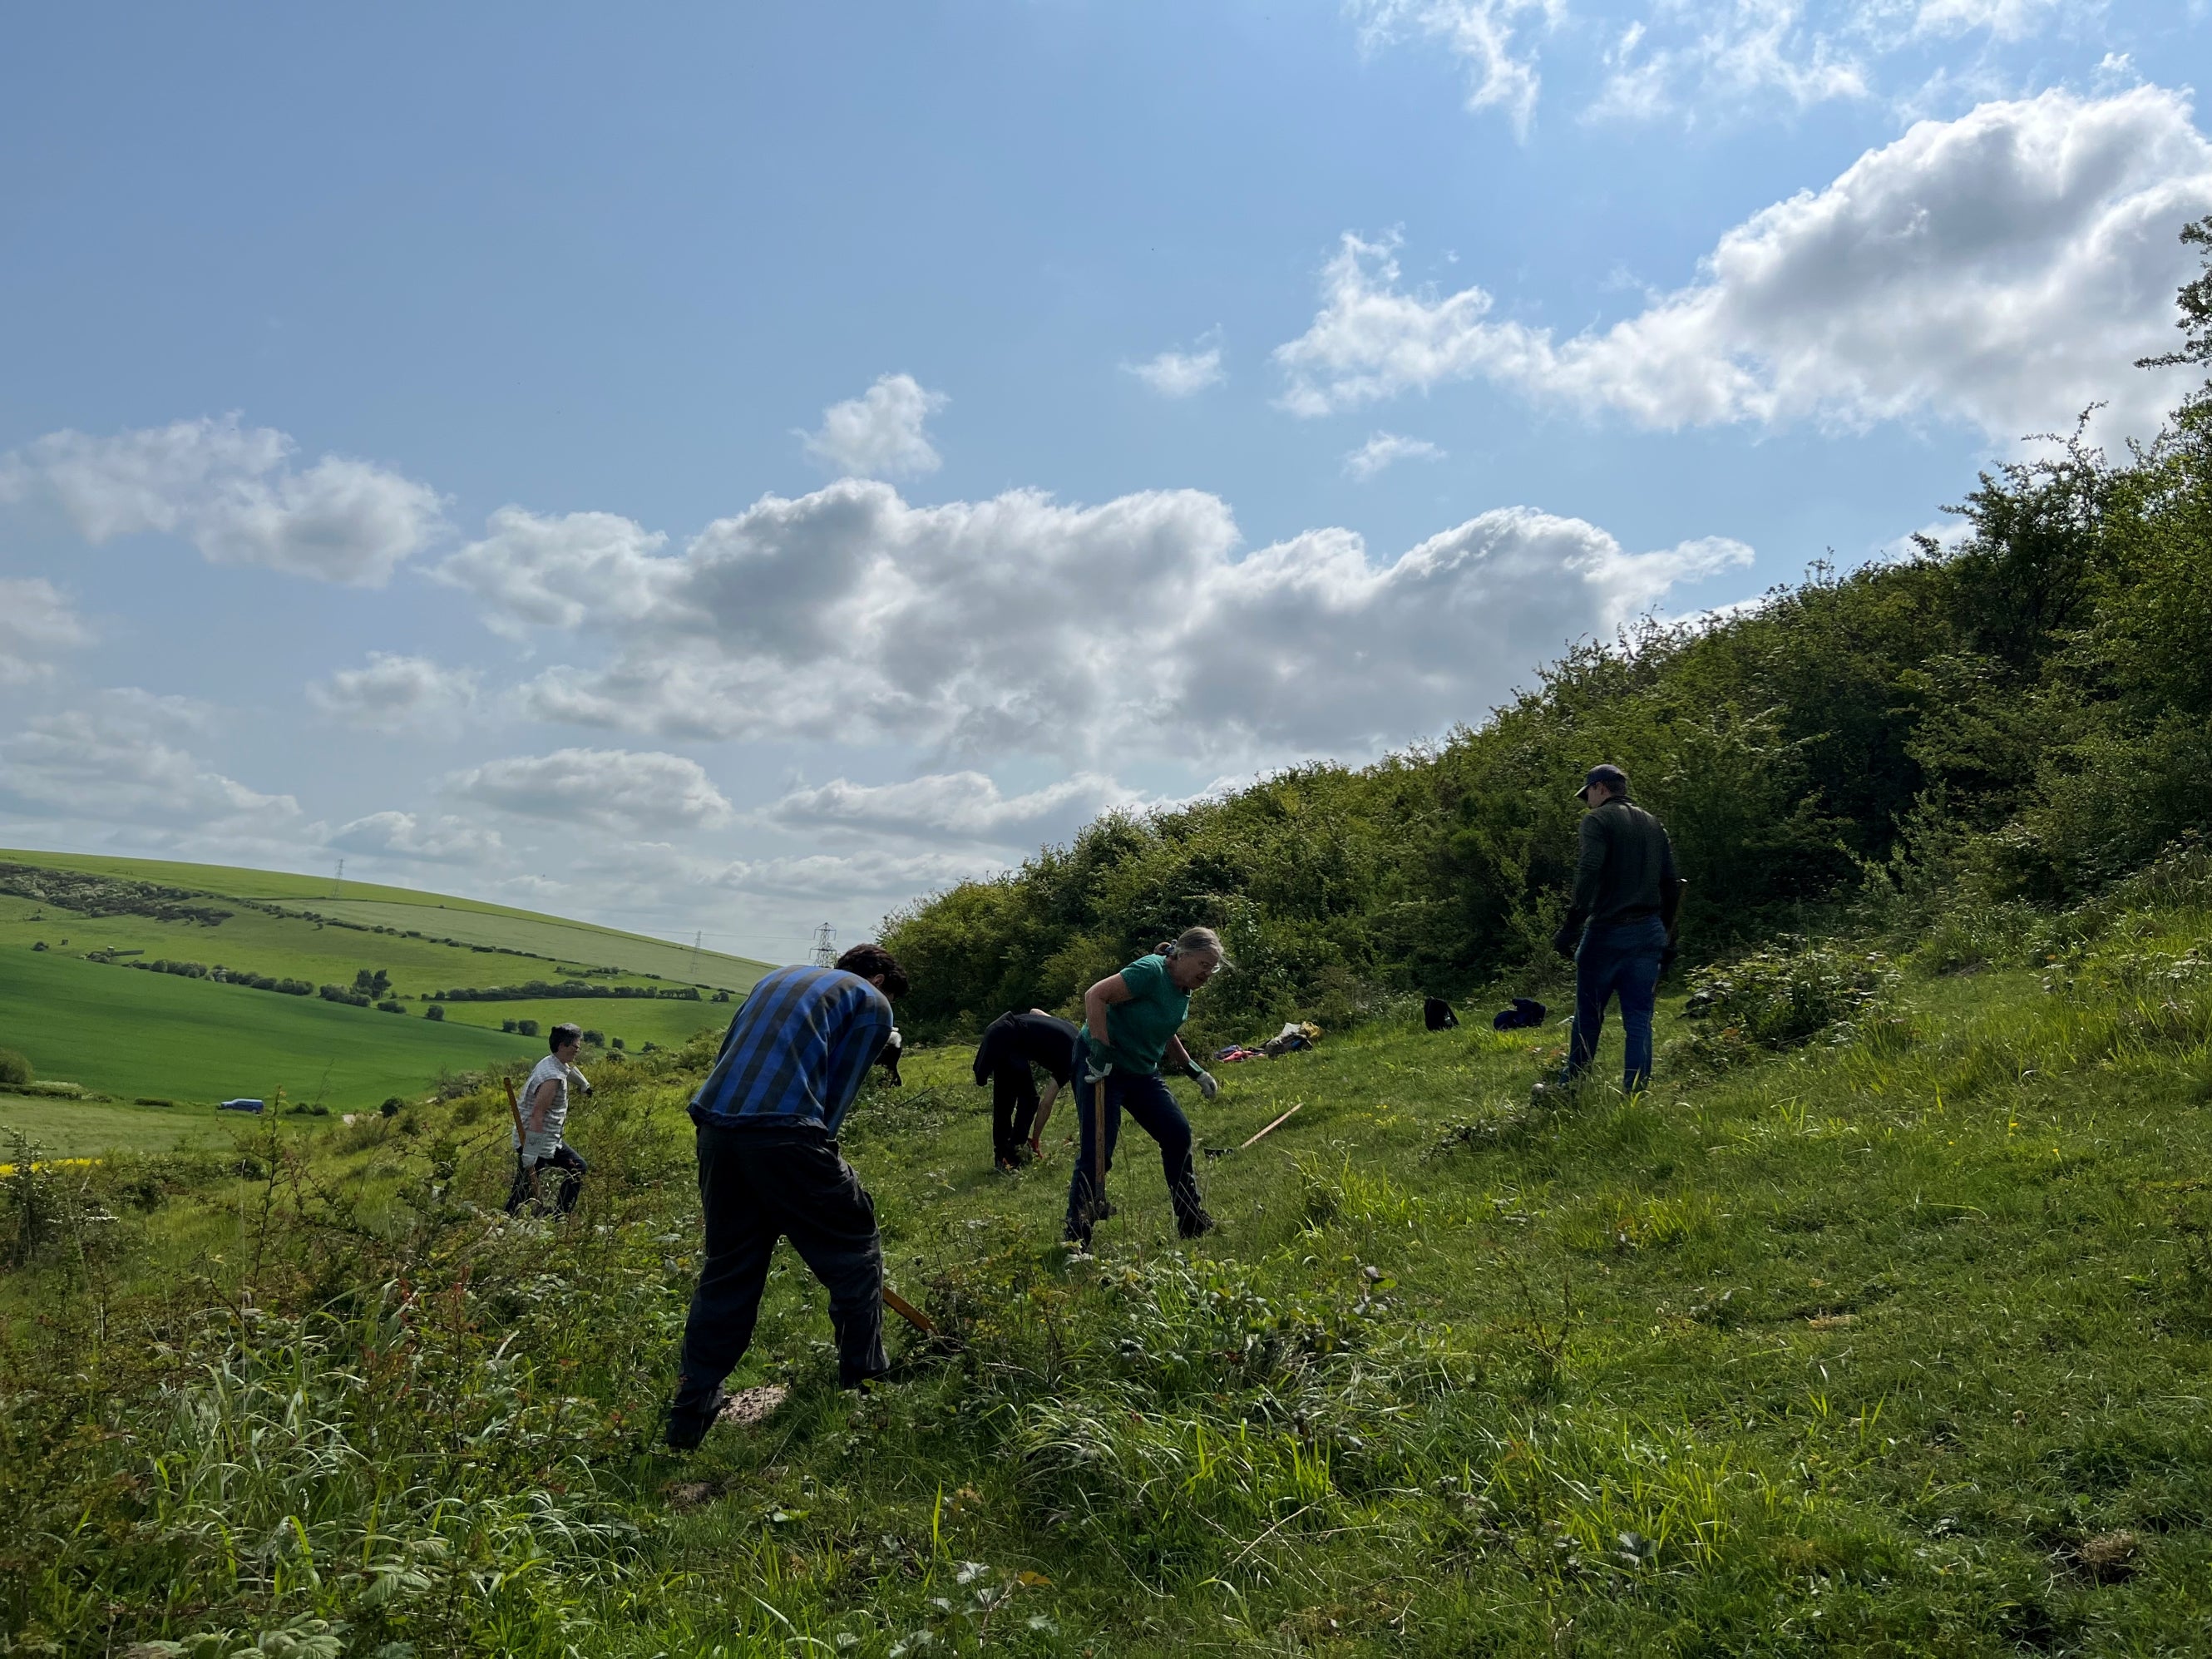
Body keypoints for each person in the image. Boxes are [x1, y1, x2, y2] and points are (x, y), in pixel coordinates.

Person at [664, 942, 909, 1451]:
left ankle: (692, 1409)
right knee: (854, 1247)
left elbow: (732, 1050)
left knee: (729, 1266)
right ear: (882, 979)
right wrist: (811, 1171)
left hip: (715, 1127)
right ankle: (865, 1382)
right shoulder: (873, 1004)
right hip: (786, 1133)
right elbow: (836, 1097)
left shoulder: (778, 978)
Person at [1064, 927, 1226, 1247]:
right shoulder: (1150, 971)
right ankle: (1075, 1240)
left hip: (1140, 1071)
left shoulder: (1182, 988)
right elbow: (1095, 995)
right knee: (1098, 1153)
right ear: (1183, 956)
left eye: (1214, 968)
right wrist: (1099, 1049)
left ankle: (1191, 1220)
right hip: (1101, 1065)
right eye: (1204, 965)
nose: (1208, 974)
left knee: (1176, 1133)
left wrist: (1194, 1071)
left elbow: (1165, 1030)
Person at [1548, 763, 1682, 1094]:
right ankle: (1636, 1093)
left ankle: (1573, 1085)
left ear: (1600, 788)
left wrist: (1570, 926)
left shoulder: (1597, 820)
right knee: (1639, 1018)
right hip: (1649, 930)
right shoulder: (1653, 824)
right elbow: (1671, 883)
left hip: (1607, 931)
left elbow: (1589, 870)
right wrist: (1668, 936)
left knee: (1589, 1014)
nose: (1587, 803)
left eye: (1588, 795)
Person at [970, 1007, 1078, 1169]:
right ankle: (1014, 1154)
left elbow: (1035, 1012)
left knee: (1005, 1100)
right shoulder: (1070, 1062)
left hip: (1001, 1029)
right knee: (1029, 1100)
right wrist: (1035, 1140)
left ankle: (1002, 1157)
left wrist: (1039, 1039)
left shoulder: (1074, 1031)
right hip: (1007, 1041)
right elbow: (1045, 1105)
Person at [506, 1022, 591, 1217]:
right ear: (562, 1046)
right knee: (523, 1192)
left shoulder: (551, 1062)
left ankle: (559, 1217)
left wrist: (583, 1084)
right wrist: (531, 1151)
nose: (578, 1051)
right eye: (575, 1047)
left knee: (577, 1168)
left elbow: (566, 1068)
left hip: (550, 1138)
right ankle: (503, 1225)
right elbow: (538, 1114)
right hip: (535, 1138)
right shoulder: (552, 1079)